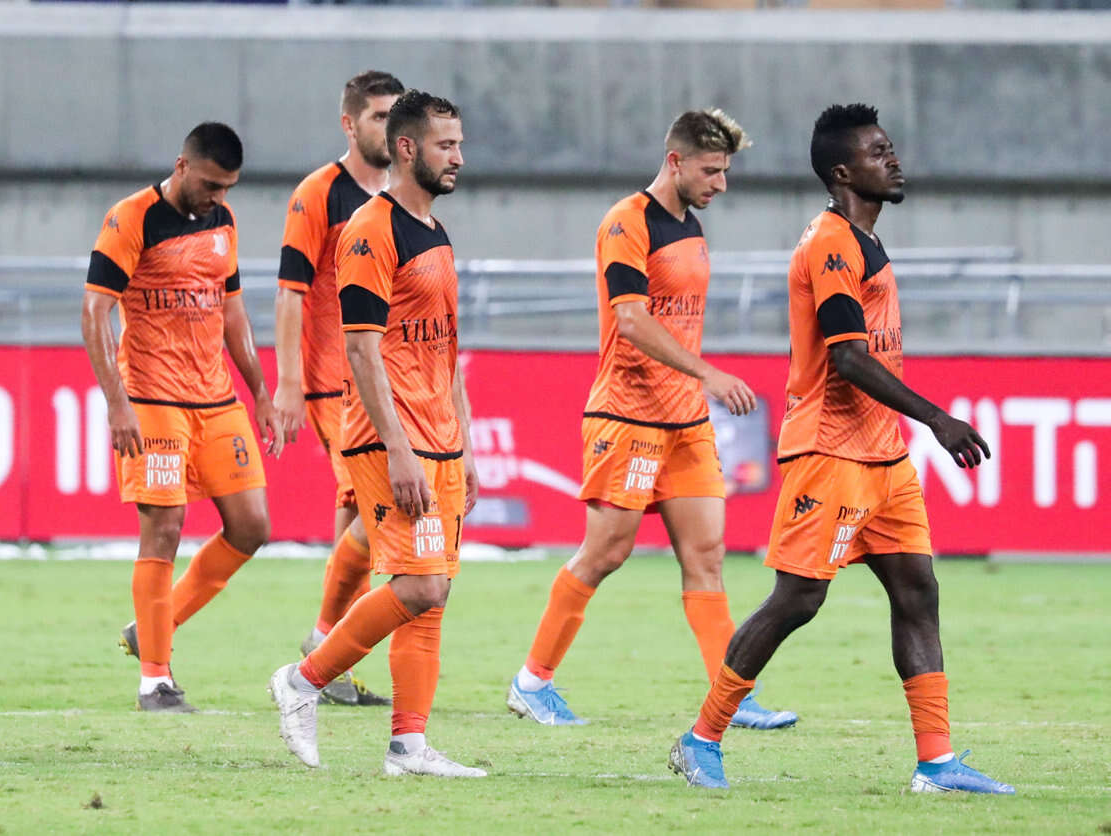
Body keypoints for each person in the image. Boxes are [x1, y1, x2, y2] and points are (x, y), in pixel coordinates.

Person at [668, 103, 1015, 795]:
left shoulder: (863, 239)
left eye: (890, 148)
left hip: (882, 453)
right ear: (842, 172)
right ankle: (701, 738)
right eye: (877, 152)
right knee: (798, 600)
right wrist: (938, 419)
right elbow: (849, 358)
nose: (893, 159)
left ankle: (936, 763)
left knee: (917, 591)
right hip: (829, 449)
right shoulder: (831, 244)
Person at [504, 109, 796, 731]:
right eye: (711, 171)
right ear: (675, 161)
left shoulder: (691, 227)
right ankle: (532, 682)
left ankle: (731, 697)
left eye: (725, 171)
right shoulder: (626, 222)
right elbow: (632, 320)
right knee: (606, 551)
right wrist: (708, 374)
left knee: (707, 554)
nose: (721, 184)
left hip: (684, 422)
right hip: (628, 415)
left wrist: (695, 386)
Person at [269, 90, 485, 777]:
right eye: (446, 145)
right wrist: (398, 448)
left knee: (435, 595)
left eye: (459, 144)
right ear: (407, 148)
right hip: (389, 436)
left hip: (440, 435)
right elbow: (361, 350)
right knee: (419, 587)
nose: (458, 157)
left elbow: (446, 350)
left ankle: (408, 747)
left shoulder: (436, 232)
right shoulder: (370, 229)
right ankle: (302, 680)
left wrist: (465, 445)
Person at [82, 122, 282, 713]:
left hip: (216, 399)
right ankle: (155, 680)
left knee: (251, 526)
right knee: (164, 528)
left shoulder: (224, 222)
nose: (218, 197)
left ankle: (152, 626)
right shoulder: (132, 218)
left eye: (228, 188)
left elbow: (233, 313)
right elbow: (94, 312)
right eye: (211, 185)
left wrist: (261, 392)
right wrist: (117, 402)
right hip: (152, 400)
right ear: (182, 166)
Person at [273, 70, 405, 707]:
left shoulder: (405, 194)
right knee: (379, 515)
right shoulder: (319, 193)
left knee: (357, 519)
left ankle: (331, 657)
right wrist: (289, 383)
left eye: (396, 115)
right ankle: (325, 643)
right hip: (333, 385)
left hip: (388, 382)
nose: (390, 126)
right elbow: (290, 292)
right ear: (350, 124)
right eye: (379, 115)